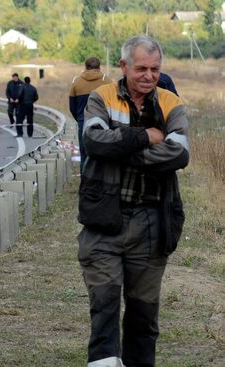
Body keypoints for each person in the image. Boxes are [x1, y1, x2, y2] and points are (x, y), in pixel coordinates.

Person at [78, 34, 189, 367]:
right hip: (104, 223)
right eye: (141, 68)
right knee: (105, 308)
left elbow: (180, 153)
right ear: (123, 66)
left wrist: (123, 150)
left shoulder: (171, 103)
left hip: (151, 224)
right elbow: (94, 141)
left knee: (143, 317)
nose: (149, 76)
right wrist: (145, 137)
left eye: (155, 69)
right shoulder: (101, 97)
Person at [69, 57, 113, 173]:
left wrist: (79, 119)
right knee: (103, 155)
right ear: (99, 67)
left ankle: (85, 183)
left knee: (84, 155)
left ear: (85, 67)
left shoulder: (76, 82)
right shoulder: (107, 81)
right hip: (103, 123)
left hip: (83, 122)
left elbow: (72, 106)